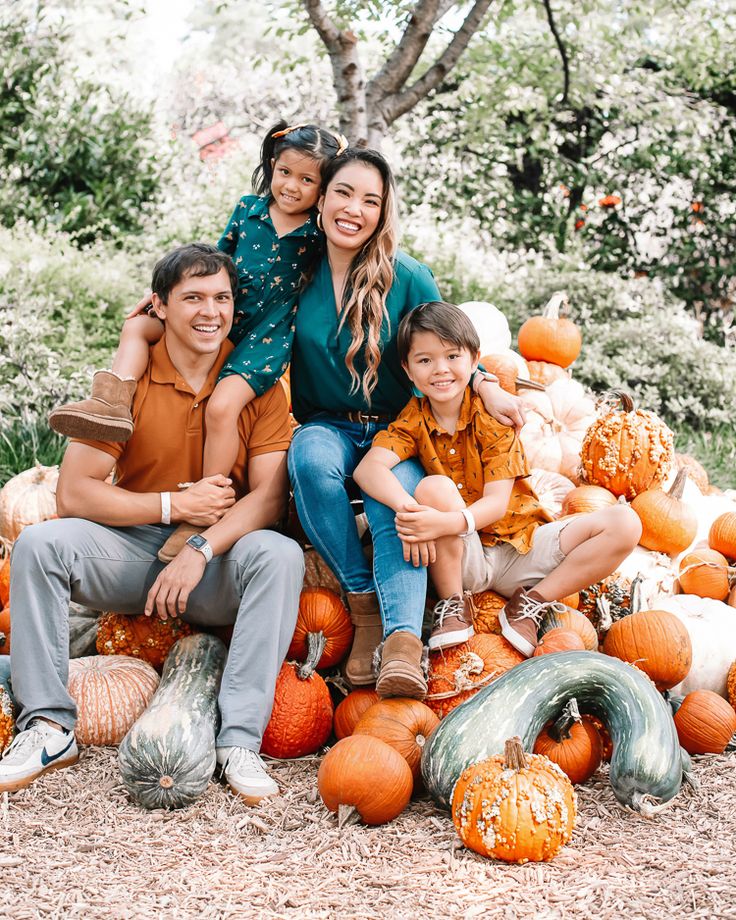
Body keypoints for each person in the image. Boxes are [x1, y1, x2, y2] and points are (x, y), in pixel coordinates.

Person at [0, 243, 304, 804]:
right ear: (160, 306)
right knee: (40, 544)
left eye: (222, 298)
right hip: (135, 556)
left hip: (216, 564)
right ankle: (49, 726)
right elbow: (73, 493)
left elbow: (267, 499)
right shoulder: (129, 379)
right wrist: (173, 508)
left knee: (279, 555)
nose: (210, 311)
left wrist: (201, 547)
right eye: (192, 297)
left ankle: (237, 741)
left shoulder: (255, 379)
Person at [287, 148, 526, 701]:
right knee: (310, 461)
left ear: (383, 211)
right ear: (320, 200)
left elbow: (452, 344)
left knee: (403, 504)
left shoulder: (408, 276)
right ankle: (362, 600)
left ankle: (401, 643)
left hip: (402, 427)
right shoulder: (297, 273)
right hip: (328, 423)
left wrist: (486, 384)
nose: (354, 209)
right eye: (343, 193)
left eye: (370, 200)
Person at [49, 121, 346, 562]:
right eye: (285, 172)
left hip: (262, 339)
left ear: (322, 189)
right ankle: (110, 403)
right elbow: (213, 259)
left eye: (307, 180)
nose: (292, 186)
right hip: (223, 315)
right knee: (138, 327)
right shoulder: (248, 210)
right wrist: (161, 297)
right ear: (271, 165)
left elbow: (338, 277)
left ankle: (201, 509)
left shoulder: (317, 235)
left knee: (223, 406)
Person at [353, 300, 642, 657]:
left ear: (475, 360)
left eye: (452, 356)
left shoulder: (493, 417)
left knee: (625, 521)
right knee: (432, 487)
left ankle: (530, 604)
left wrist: (443, 521)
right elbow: (367, 469)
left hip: (522, 548)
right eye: (425, 360)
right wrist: (411, 511)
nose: (440, 369)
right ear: (408, 370)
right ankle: (454, 605)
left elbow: (496, 503)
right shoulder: (413, 420)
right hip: (465, 558)